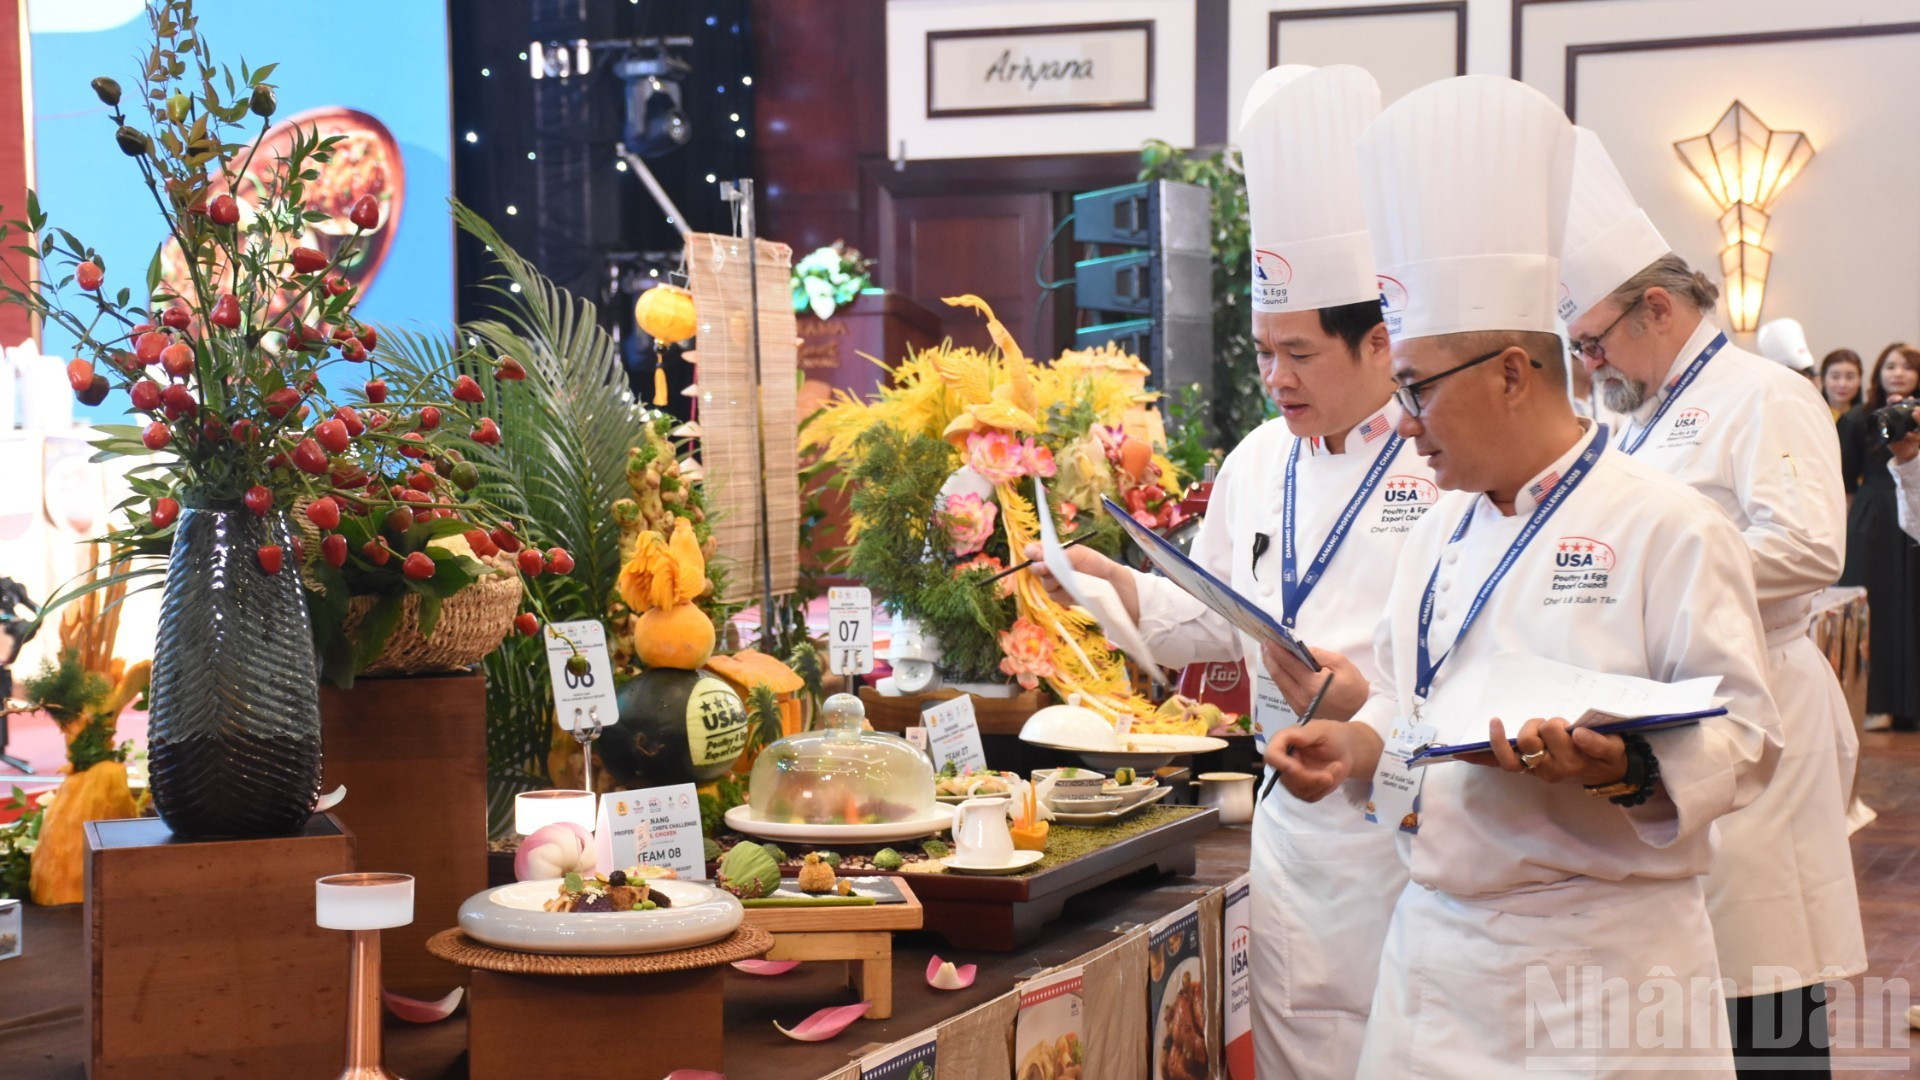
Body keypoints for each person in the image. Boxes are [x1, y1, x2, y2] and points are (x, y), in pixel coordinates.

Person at [1267, 75, 1781, 1078]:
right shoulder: (1436, 535)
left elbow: (1749, 739)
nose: (1401, 419)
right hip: (1436, 969)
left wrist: (1624, 769)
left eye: (1417, 387)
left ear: (1512, 371)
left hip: (1603, 973)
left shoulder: (1666, 525)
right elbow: (1424, 721)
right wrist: (1358, 747)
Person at [1028, 65, 1434, 1080]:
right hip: (1290, 838)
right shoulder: (1259, 462)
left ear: (1379, 344)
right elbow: (1215, 622)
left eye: (1298, 353)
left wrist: (1362, 702)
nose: (1275, 379)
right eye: (1262, 352)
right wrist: (1104, 581)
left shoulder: (1444, 467)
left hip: (1405, 832)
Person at [1559, 127, 1863, 1077]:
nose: (1591, 363)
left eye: (1594, 340)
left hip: (1759, 708)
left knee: (1765, 987)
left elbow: (1811, 546)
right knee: (1689, 992)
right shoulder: (1633, 421)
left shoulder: (1761, 395)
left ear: (1656, 307)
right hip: (1669, 723)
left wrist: (1665, 573)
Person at [1839, 343, 1920, 728]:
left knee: (1910, 609)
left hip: (1911, 511)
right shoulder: (1858, 418)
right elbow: (1846, 481)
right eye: (1890, 365)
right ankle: (1874, 701)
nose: (1898, 373)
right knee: (1876, 606)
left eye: (1907, 367)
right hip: (1871, 515)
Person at [1821, 349, 1863, 420]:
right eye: (1835, 377)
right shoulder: (1813, 415)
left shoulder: (1866, 417)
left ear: (1859, 380)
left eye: (1850, 377)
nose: (1842, 384)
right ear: (1823, 379)